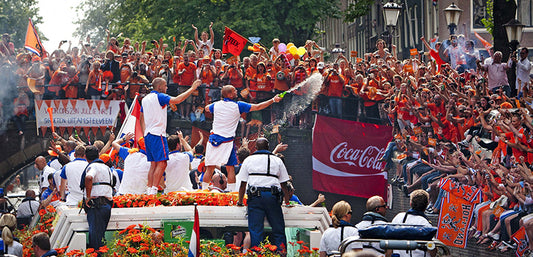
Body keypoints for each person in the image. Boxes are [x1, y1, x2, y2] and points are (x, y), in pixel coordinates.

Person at [203, 85, 282, 192]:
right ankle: (232, 193)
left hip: (213, 140)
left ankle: (203, 191)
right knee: (230, 168)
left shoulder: (216, 105)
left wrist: (214, 104)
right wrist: (273, 100)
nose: (237, 91)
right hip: (227, 141)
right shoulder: (238, 105)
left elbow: (207, 108)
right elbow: (258, 106)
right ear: (230, 94)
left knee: (210, 168)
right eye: (234, 90)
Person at [140, 78, 200, 195]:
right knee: (162, 163)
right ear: (159, 87)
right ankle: (153, 190)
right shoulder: (160, 96)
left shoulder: (145, 99)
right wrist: (192, 89)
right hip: (157, 133)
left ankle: (149, 189)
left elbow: (141, 117)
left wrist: (144, 133)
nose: (167, 88)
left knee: (153, 164)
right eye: (165, 86)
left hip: (148, 134)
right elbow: (177, 100)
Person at [237, 137, 291, 251]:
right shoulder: (277, 160)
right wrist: (287, 202)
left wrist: (240, 201)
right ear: (268, 147)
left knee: (256, 231)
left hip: (255, 197)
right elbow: (284, 184)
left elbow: (242, 184)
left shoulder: (248, 160)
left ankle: (258, 253)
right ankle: (281, 253)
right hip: (273, 197)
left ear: (255, 148)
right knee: (278, 229)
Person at [83, 145, 113, 250]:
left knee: (96, 240)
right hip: (107, 205)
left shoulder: (93, 166)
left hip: (97, 206)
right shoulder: (107, 168)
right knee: (100, 238)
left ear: (85, 157)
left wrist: (88, 197)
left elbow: (89, 177)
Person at [391, 189, 435, 257]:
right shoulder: (426, 224)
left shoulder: (398, 217)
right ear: (427, 205)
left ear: (410, 203)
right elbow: (432, 250)